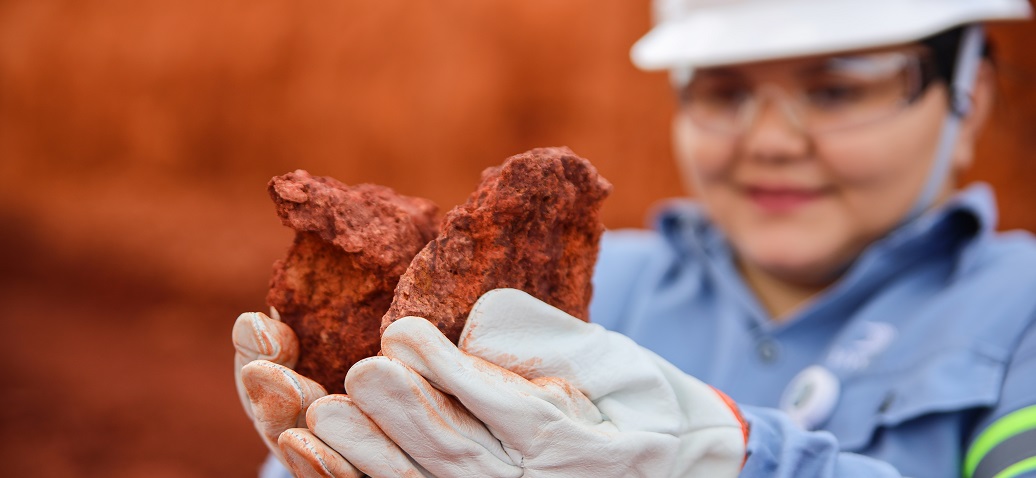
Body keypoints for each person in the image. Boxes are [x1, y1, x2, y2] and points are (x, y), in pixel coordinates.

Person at [232, 0, 1036, 476]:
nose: (772, 142)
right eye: (722, 94)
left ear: (972, 97)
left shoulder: (1018, 316)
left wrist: (743, 465)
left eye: (835, 90)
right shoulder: (569, 293)